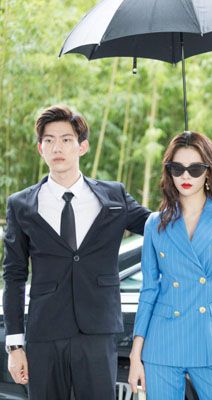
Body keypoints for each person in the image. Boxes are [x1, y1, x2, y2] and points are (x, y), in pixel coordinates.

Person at [2, 104, 150, 399]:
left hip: (98, 330)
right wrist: (15, 345)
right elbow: (14, 275)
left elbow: (158, 227)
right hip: (45, 332)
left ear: (82, 147)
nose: (57, 147)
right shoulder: (21, 205)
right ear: (40, 149)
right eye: (49, 140)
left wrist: (196, 196)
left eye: (66, 139)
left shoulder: (114, 195)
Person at [128, 131, 212, 400]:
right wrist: (136, 353)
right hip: (162, 340)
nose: (186, 176)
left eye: (195, 169)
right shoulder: (155, 223)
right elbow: (148, 290)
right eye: (178, 168)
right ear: (169, 172)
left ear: (208, 171)